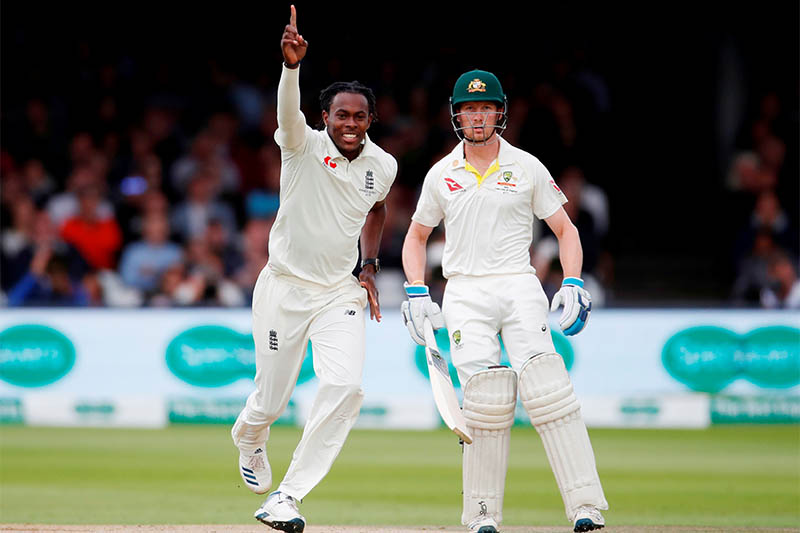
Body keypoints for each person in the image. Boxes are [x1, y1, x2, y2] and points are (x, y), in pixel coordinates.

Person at [401, 70, 608, 533]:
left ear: (500, 113)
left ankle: (585, 506)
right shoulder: (441, 173)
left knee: (549, 389)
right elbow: (416, 237)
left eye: (486, 108)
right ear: (458, 115)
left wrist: (572, 281)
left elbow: (566, 230)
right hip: (465, 291)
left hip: (519, 283)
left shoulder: (528, 166)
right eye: (469, 109)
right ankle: (481, 514)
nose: (478, 117)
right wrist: (416, 289)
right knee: (485, 402)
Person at [230, 6, 397, 532]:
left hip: (338, 293)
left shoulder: (383, 165)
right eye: (341, 116)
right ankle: (249, 437)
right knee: (272, 398)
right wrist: (291, 69)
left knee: (346, 388)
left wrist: (368, 267)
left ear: (371, 119)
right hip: (283, 288)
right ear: (325, 118)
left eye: (360, 116)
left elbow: (376, 209)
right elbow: (285, 116)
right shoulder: (302, 146)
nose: (350, 124)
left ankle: (288, 495)